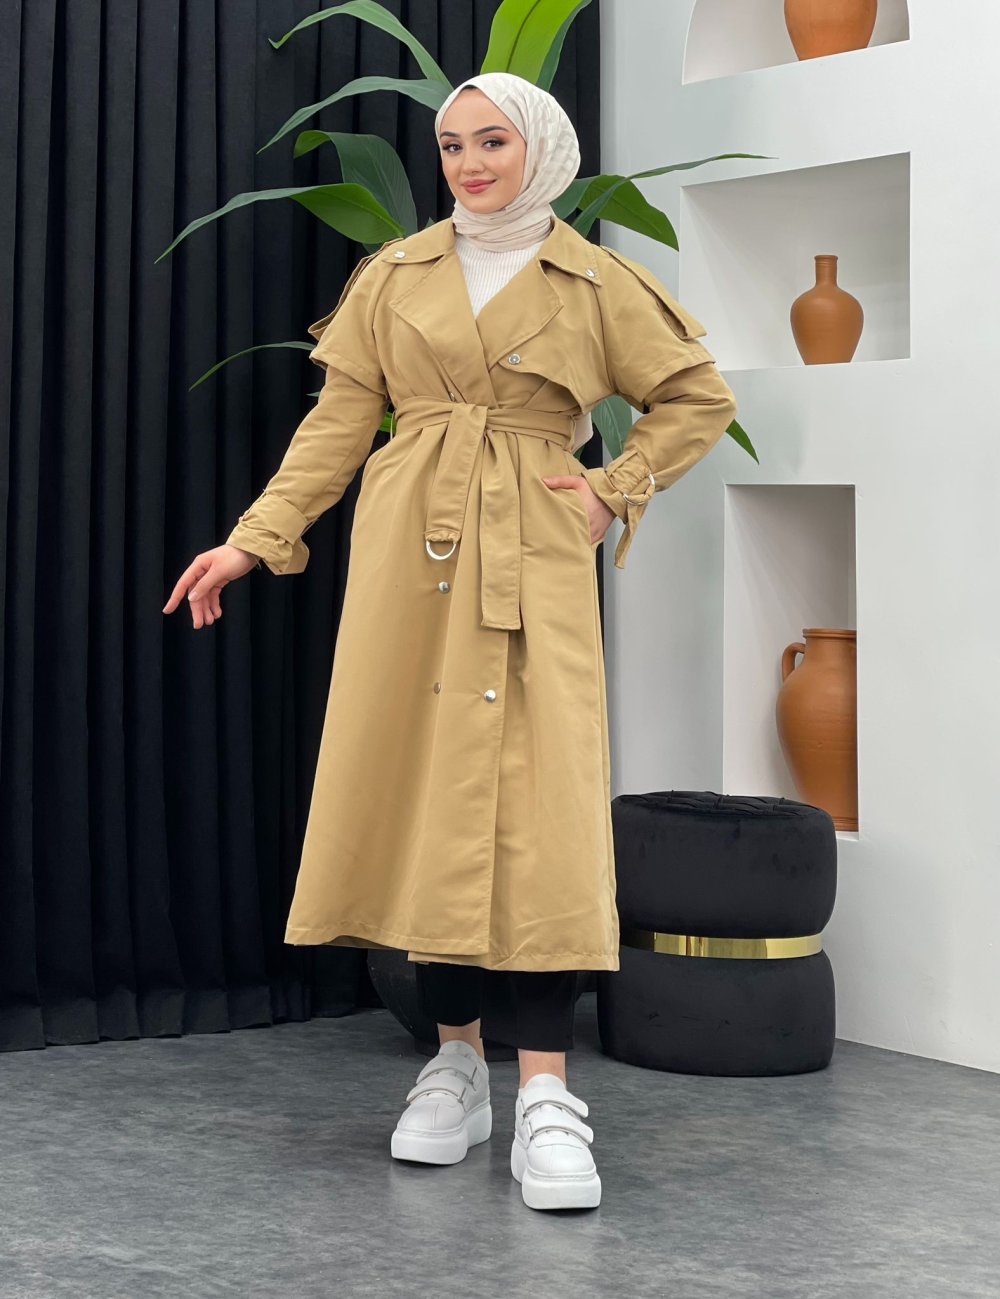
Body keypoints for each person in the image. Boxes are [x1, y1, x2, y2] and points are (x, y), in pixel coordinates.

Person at [163, 71, 738, 1212]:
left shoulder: (595, 281)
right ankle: (456, 1065)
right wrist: (253, 540)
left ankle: (547, 1093)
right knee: (429, 795)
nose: (469, 164)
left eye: (492, 143)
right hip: (409, 561)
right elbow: (336, 425)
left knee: (541, 808)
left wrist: (612, 487)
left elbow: (695, 397)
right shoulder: (395, 275)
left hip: (531, 553)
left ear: (541, 150)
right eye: (452, 145)